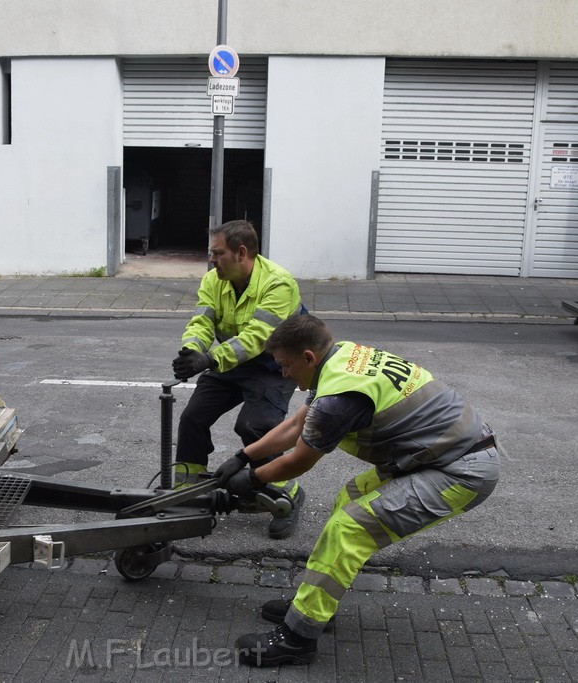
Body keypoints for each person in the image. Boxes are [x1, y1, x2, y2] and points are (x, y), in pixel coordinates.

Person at [219, 314, 501, 666]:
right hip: (440, 455)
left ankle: (297, 640)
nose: (283, 374)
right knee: (349, 500)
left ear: (308, 357)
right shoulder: (340, 359)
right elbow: (295, 424)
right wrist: (242, 456)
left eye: (286, 365)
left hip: (461, 471)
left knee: (350, 528)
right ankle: (316, 607)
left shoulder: (338, 399)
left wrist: (253, 479)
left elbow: (298, 462)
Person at [170, 219, 307, 539]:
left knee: (254, 427)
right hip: (233, 360)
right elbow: (202, 322)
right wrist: (192, 351)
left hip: (276, 365)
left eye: (217, 253)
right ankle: (186, 493)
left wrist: (210, 359)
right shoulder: (213, 280)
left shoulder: (279, 283)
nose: (211, 259)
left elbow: (259, 337)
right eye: (211, 253)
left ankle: (287, 492)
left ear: (241, 253)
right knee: (193, 417)